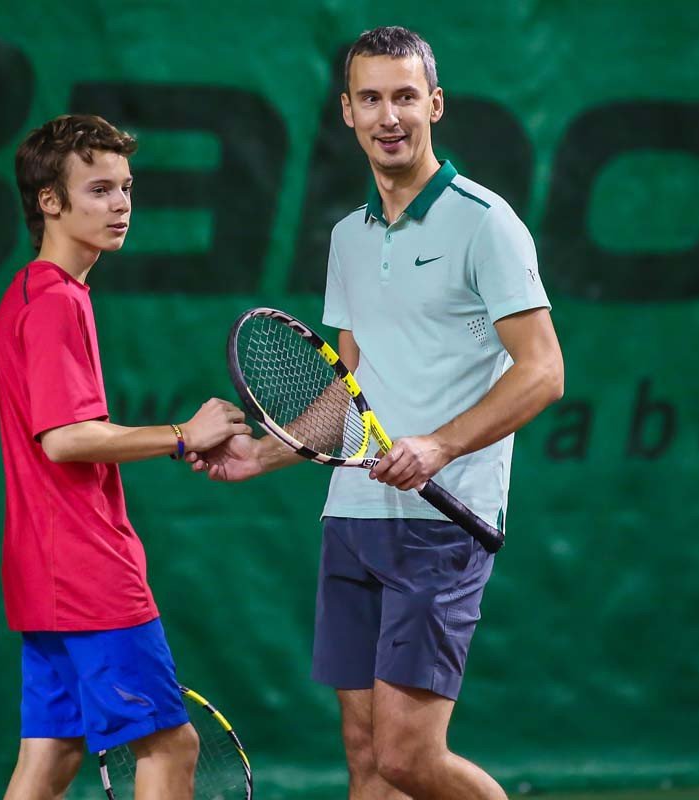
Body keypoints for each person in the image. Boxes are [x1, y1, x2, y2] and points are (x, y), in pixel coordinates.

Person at [189, 27, 564, 800]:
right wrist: (264, 453)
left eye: (404, 97)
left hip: (442, 522)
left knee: (407, 757)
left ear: (435, 104)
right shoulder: (348, 238)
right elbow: (351, 385)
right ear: (348, 112)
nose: (388, 116)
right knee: (365, 759)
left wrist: (438, 447)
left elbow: (543, 372)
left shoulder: (485, 223)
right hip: (353, 518)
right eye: (371, 99)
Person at [0, 114, 250, 800]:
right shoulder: (54, 302)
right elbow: (65, 438)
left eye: (126, 188)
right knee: (170, 745)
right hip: (86, 568)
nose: (121, 205)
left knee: (51, 756)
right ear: (50, 201)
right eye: (100, 190)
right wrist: (182, 433)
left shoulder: (33, 292)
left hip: (41, 569)